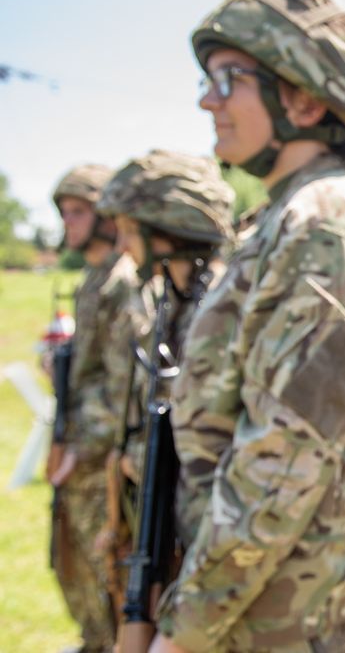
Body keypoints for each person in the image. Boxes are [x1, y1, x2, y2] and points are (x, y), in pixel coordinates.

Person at [150, 0, 345, 652]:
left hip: (309, 621)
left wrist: (185, 630)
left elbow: (281, 464)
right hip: (269, 608)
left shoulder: (321, 224)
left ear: (303, 100)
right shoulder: (285, 218)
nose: (207, 100)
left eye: (227, 80)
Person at [92, 149, 235, 624]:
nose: (122, 244)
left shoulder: (218, 309)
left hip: (210, 544)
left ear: (169, 230)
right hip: (167, 523)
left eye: (131, 230)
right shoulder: (169, 302)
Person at [49, 164, 143, 653]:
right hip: (81, 457)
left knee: (110, 575)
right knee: (75, 568)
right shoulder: (93, 280)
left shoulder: (121, 283)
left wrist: (78, 449)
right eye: (64, 213)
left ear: (106, 216)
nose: (68, 223)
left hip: (102, 463)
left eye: (78, 212)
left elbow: (121, 389)